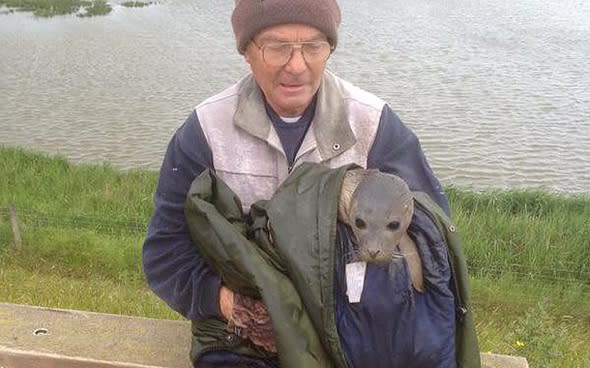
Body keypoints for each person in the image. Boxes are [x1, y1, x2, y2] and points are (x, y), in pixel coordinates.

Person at [142, 0, 457, 367]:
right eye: (277, 47)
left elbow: (431, 241)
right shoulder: (204, 131)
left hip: (353, 339)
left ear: (330, 48)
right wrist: (230, 304)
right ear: (247, 50)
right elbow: (165, 254)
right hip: (243, 341)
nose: (296, 65)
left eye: (313, 46)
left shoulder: (376, 127)